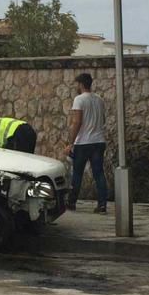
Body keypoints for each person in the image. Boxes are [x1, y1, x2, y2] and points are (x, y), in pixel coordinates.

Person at [64, 73, 108, 214]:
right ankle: (102, 204)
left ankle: (71, 202)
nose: (75, 87)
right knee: (99, 173)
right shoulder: (99, 100)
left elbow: (77, 121)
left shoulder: (79, 99)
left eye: (76, 84)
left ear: (81, 84)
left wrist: (70, 143)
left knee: (77, 173)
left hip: (83, 142)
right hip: (99, 141)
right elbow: (103, 119)